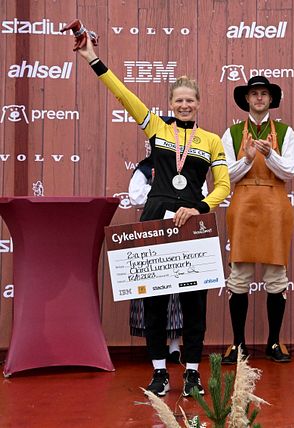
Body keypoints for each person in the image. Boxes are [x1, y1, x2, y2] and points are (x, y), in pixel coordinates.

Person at [73, 36, 230, 397]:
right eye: (179, 100)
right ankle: (159, 372)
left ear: (199, 104)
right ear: (170, 104)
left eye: (190, 100)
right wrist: (93, 58)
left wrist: (200, 207)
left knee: (194, 301)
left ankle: (191, 372)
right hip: (156, 216)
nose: (185, 104)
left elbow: (222, 186)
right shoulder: (157, 128)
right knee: (154, 299)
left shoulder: (211, 141)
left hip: (193, 220)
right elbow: (123, 95)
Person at [220, 76, 294, 364]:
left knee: (276, 277)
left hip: (275, 205)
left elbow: (290, 171)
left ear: (270, 99)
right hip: (242, 205)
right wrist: (248, 158)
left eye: (264, 94)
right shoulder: (230, 133)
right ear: (246, 99)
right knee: (239, 276)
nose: (258, 98)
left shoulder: (284, 131)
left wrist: (270, 156)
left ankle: (274, 342)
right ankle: (238, 344)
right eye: (254, 94)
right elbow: (225, 175)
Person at [128, 155, 209, 364]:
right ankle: (158, 357)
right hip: (155, 228)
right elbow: (135, 195)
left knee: (184, 294)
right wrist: (163, 197)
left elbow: (205, 195)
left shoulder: (194, 164)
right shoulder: (147, 167)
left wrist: (184, 203)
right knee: (156, 295)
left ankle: (175, 346)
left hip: (186, 230)